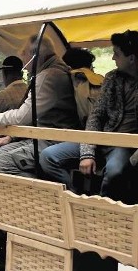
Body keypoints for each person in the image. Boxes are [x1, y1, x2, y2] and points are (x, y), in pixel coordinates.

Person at [43, 31, 138, 202]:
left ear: (131, 58)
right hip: (102, 138)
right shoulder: (112, 79)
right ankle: (75, 199)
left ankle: (102, 210)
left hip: (125, 145)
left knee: (115, 171)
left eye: (116, 54)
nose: (112, 59)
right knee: (48, 156)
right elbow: (96, 116)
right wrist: (87, 152)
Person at [0, 35, 80, 177]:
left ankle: (41, 194)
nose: (21, 56)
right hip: (44, 135)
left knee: (3, 162)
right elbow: (36, 116)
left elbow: (23, 116)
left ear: (35, 55)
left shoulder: (48, 77)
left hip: (52, 139)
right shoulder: (54, 71)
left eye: (24, 52)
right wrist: (11, 138)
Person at [39, 47, 104, 190]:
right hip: (95, 139)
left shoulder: (67, 82)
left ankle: (71, 194)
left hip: (87, 140)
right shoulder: (99, 81)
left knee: (48, 156)